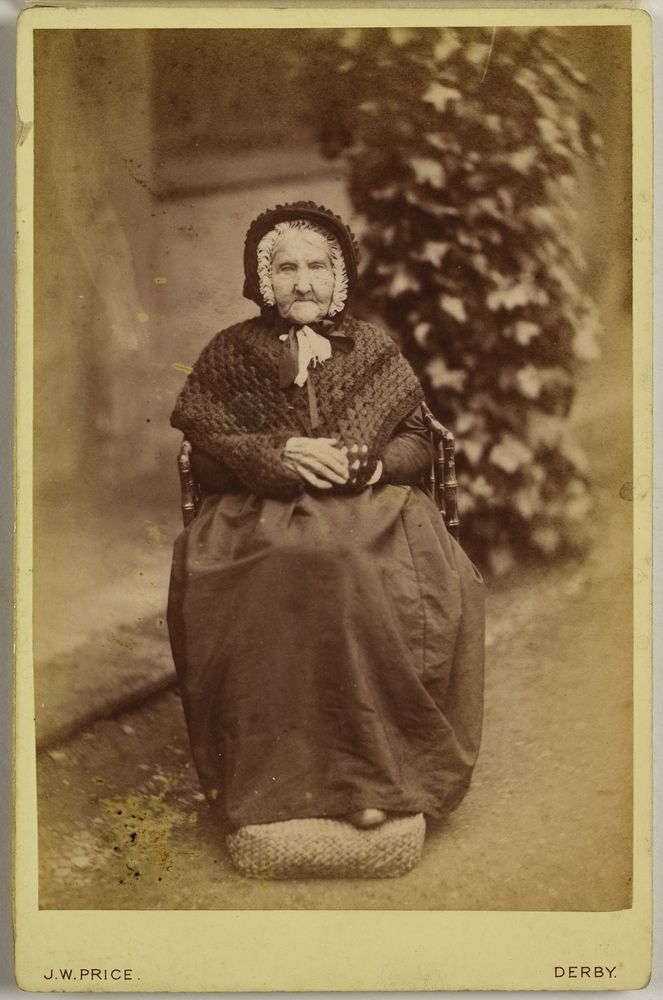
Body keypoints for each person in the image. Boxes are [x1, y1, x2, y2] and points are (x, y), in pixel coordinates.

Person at [167, 201, 484, 838]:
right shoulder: (232, 351)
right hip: (257, 512)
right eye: (286, 269)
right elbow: (204, 452)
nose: (303, 282)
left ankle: (377, 777)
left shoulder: (370, 347)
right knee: (293, 564)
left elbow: (420, 441)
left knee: (355, 568)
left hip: (372, 508)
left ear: (338, 276)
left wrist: (367, 463)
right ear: (263, 278)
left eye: (317, 266)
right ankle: (283, 782)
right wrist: (276, 455)